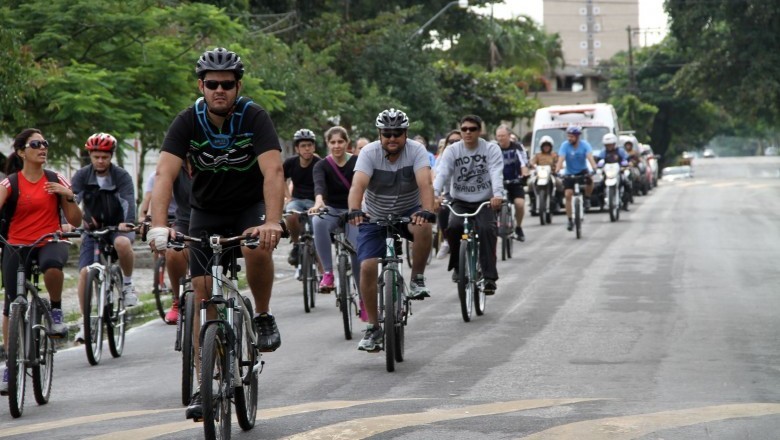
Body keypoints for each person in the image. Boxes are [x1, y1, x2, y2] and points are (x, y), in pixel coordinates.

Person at [146, 47, 285, 420]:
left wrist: (272, 221)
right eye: (212, 84)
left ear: (238, 85)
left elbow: (273, 172)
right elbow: (164, 174)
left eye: (227, 84)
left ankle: (263, 314)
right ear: (201, 85)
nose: (219, 90)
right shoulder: (187, 120)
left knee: (257, 247)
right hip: (205, 210)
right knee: (203, 296)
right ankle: (203, 381)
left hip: (248, 208)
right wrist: (160, 225)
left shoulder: (254, 117)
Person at [0, 129, 82, 393]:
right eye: (36, 144)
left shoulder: (55, 179)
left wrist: (66, 195)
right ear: (22, 152)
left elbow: (76, 220)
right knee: (11, 303)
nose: (42, 148)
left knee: (53, 267)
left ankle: (56, 311)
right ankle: (10, 366)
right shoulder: (10, 183)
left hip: (49, 239)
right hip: (16, 244)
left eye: (45, 143)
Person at [347, 108, 435, 352]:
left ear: (406, 134)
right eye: (387, 134)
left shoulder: (416, 151)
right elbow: (358, 184)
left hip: (409, 213)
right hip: (374, 215)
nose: (392, 138)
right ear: (379, 134)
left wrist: (427, 209)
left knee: (424, 226)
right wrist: (354, 209)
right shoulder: (369, 153)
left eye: (397, 133)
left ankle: (417, 278)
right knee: (366, 266)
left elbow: (425, 183)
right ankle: (374, 328)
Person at [71, 132, 138, 344]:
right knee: (84, 273)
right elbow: (72, 200)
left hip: (118, 227)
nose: (101, 161)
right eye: (96, 156)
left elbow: (128, 200)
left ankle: (127, 284)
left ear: (111, 156)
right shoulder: (82, 175)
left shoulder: (121, 176)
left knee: (122, 242)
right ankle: (85, 323)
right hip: (92, 229)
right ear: (90, 155)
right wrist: (67, 221)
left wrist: (127, 221)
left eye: (105, 157)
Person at [433, 115, 503, 293]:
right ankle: (458, 265)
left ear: (480, 131)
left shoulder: (491, 149)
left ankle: (489, 278)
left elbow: (496, 172)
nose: (467, 132)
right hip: (460, 201)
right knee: (454, 226)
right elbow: (443, 173)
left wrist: (497, 194)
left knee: (487, 230)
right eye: (464, 129)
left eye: (472, 129)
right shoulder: (452, 150)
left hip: (484, 201)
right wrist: (434, 194)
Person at [309, 126, 360, 292]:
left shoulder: (357, 162)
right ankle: (328, 274)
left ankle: (363, 299)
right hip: (331, 209)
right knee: (317, 221)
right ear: (327, 144)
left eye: (340, 141)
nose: (336, 145)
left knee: (356, 251)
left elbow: (363, 187)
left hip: (354, 211)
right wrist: (318, 203)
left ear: (347, 143)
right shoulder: (321, 165)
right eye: (333, 142)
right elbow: (319, 186)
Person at [283, 129, 320, 266]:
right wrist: (288, 197)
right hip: (297, 200)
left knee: (316, 225)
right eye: (303, 146)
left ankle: (317, 255)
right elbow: (281, 178)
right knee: (290, 213)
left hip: (314, 202)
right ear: (297, 149)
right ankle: (296, 244)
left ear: (314, 147)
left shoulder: (319, 163)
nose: (307, 149)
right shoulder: (290, 162)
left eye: (309, 145)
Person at [554, 125, 598, 231]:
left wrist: (594, 168)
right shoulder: (565, 146)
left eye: (572, 136)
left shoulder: (585, 145)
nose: (569, 138)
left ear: (578, 137)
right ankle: (570, 219)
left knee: (590, 181)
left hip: (582, 171)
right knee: (568, 194)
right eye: (568, 136)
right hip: (569, 173)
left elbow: (590, 158)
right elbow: (561, 159)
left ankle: (587, 199)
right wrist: (557, 170)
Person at [495, 125, 530, 241]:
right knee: (492, 205)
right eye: (498, 136)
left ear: (509, 136)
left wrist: (524, 173)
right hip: (498, 183)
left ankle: (518, 227)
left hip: (515, 181)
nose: (501, 138)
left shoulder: (517, 147)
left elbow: (523, 163)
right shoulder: (493, 148)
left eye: (503, 136)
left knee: (519, 204)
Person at [435, 129, 461, 260]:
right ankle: (446, 239)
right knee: (443, 210)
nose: (454, 144)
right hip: (450, 194)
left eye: (457, 141)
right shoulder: (443, 156)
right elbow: (438, 176)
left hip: (471, 195)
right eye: (451, 142)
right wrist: (436, 195)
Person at [595, 133, 630, 210]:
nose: (609, 146)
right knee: (599, 186)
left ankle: (625, 203)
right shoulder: (603, 152)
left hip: (618, 172)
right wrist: (599, 165)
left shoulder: (620, 151)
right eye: (607, 145)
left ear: (614, 144)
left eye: (610, 144)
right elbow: (599, 160)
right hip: (607, 173)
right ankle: (601, 203)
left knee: (627, 184)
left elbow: (626, 159)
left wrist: (625, 165)